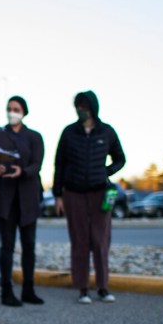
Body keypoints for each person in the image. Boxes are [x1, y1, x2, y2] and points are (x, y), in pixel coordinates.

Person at [53, 90, 126, 304]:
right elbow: (59, 164)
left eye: (84, 106)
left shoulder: (107, 132)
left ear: (93, 107)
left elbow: (121, 158)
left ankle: (102, 287)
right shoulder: (69, 133)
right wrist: (58, 195)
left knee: (100, 240)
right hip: (73, 193)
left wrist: (106, 171)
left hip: (99, 192)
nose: (81, 110)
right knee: (80, 240)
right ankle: (82, 288)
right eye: (78, 106)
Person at [0, 96, 45, 307]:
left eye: (16, 108)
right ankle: (6, 291)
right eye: (9, 108)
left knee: (29, 245)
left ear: (24, 112)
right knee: (7, 245)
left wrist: (22, 171)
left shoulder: (34, 137)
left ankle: (28, 289)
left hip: (28, 198)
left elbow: (37, 164)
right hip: (6, 199)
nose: (12, 111)